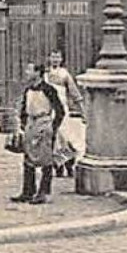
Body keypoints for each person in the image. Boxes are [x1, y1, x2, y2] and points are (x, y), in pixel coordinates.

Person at [11, 62, 65, 205]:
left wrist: (52, 127)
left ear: (38, 72)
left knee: (46, 159)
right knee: (28, 158)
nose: (27, 72)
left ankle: (44, 192)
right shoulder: (28, 89)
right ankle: (28, 191)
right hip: (31, 123)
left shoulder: (49, 90)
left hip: (44, 123)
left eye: (30, 70)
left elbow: (60, 111)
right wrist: (23, 124)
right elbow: (23, 108)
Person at [44, 49, 86, 178]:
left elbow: (74, 93)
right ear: (49, 58)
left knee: (66, 137)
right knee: (52, 138)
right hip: (47, 109)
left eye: (58, 57)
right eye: (53, 57)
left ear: (61, 59)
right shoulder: (44, 74)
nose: (55, 60)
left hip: (62, 110)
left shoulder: (64, 74)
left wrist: (83, 111)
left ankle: (68, 164)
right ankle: (57, 166)